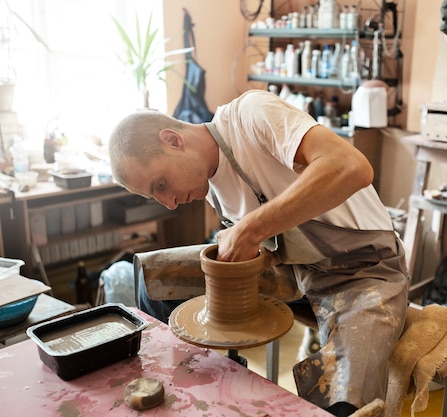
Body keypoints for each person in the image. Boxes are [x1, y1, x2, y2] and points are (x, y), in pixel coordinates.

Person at [108, 89, 409, 416]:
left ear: (173, 141)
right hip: (292, 270)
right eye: (155, 197)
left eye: (161, 184)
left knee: (343, 396)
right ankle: (187, 397)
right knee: (156, 277)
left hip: (363, 271)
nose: (169, 203)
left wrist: (251, 228)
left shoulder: (250, 115)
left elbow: (352, 166)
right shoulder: (211, 186)